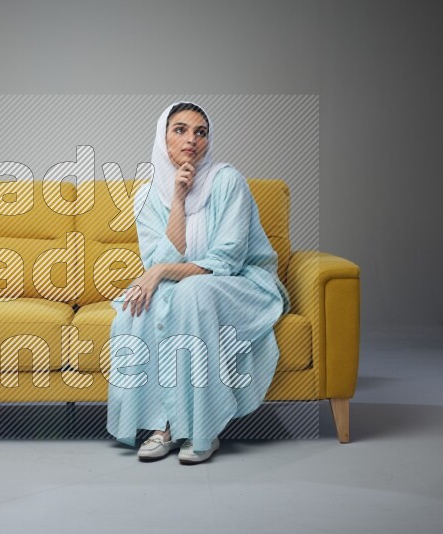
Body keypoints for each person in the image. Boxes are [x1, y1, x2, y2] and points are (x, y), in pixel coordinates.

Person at [106, 101, 291, 464]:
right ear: (164, 138)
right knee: (139, 309)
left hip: (239, 283)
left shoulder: (227, 181)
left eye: (200, 132)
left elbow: (227, 260)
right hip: (184, 281)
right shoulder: (146, 195)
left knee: (188, 293)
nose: (191, 139)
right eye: (180, 130)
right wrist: (178, 198)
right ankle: (166, 424)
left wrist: (160, 273)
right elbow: (161, 259)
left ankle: (201, 429)